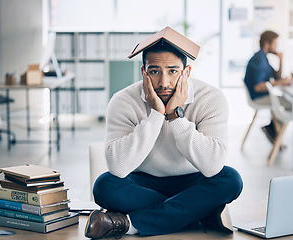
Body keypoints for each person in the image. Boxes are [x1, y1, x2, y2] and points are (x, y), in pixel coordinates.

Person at [84, 27, 243, 238]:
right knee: (104, 186)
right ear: (144, 72)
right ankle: (200, 212)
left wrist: (175, 117)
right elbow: (118, 167)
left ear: (186, 72)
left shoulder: (211, 98)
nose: (163, 82)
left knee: (230, 180)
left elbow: (213, 165)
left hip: (193, 180)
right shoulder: (123, 101)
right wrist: (157, 114)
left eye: (172, 71)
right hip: (143, 182)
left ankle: (129, 224)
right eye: (154, 71)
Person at [243, 30, 293, 143]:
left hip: (263, 95)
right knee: (290, 103)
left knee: (283, 101)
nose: (276, 47)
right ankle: (274, 131)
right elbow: (258, 87)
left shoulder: (263, 57)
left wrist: (281, 60)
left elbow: (276, 77)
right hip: (257, 97)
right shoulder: (259, 59)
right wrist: (281, 83)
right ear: (267, 44)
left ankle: (273, 129)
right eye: (275, 44)